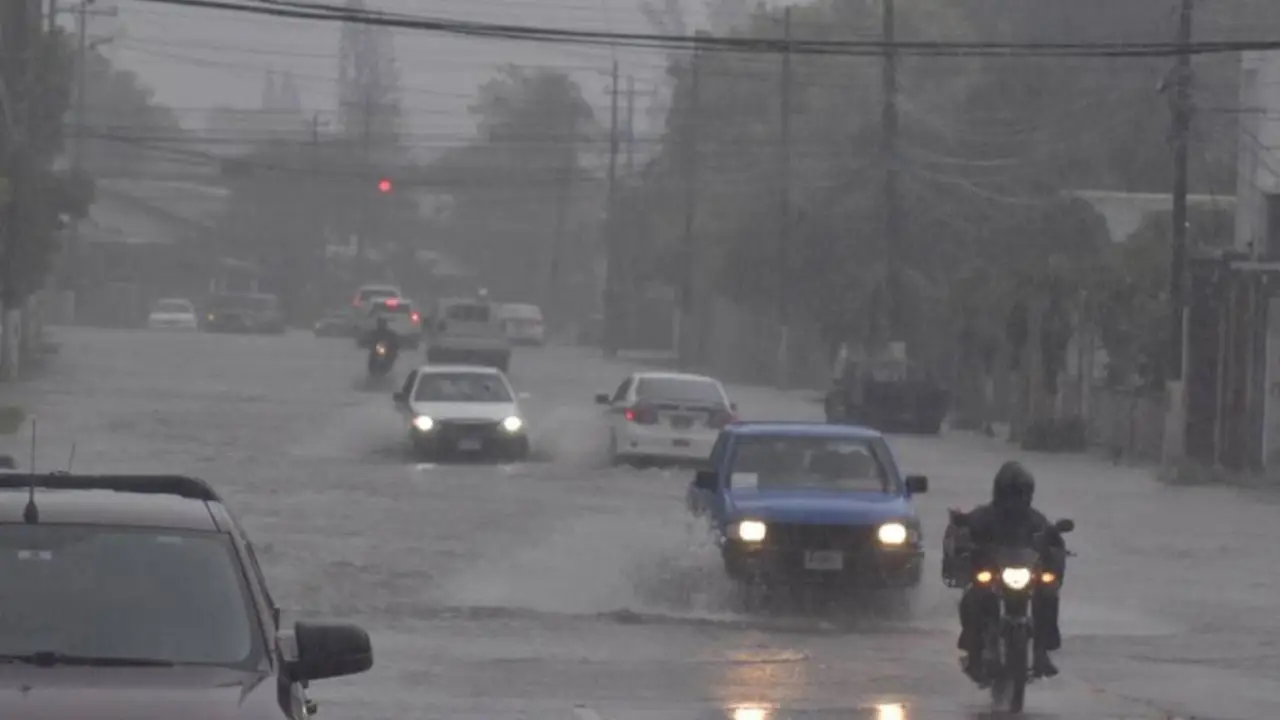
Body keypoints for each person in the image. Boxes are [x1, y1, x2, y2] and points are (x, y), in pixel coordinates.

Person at [950, 461, 1064, 681]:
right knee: (973, 597)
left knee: (1048, 594)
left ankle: (1042, 652)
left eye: (1020, 493)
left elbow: (1054, 541)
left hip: (1025, 575)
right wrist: (962, 533)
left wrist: (1054, 547)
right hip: (994, 575)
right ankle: (974, 653)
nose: (1016, 499)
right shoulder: (983, 516)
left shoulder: (1036, 519)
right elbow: (964, 531)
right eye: (1011, 493)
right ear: (1000, 491)